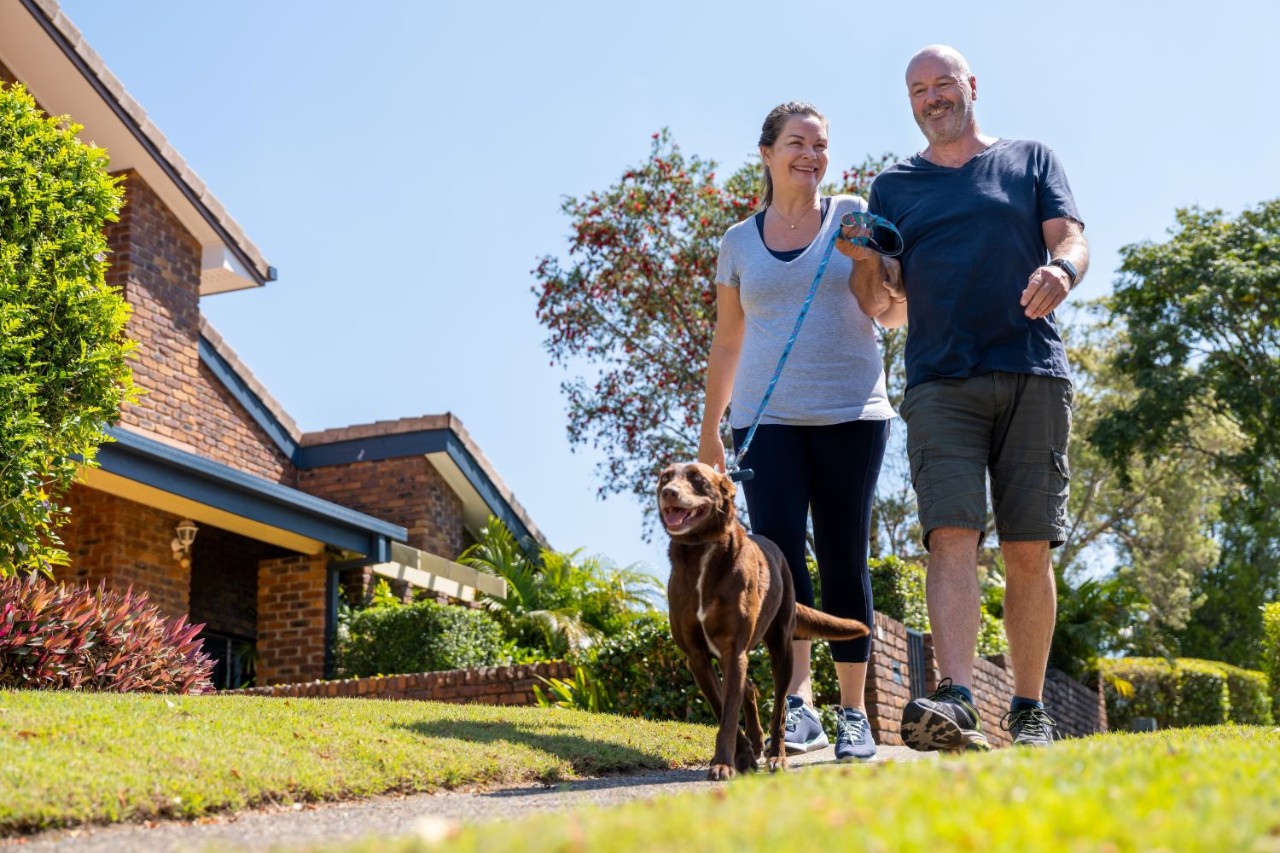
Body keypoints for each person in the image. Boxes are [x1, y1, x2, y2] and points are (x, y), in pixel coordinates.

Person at [851, 45, 1089, 750]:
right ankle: (955, 698)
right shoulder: (893, 187)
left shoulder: (1030, 160)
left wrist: (1061, 272)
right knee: (950, 534)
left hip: (1032, 371)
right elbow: (883, 305)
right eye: (918, 89)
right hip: (940, 380)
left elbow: (1073, 239)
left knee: (1027, 546)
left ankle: (1027, 707)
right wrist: (865, 259)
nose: (932, 97)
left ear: (971, 86)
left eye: (943, 83)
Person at [698, 101, 906, 762]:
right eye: (796, 143)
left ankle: (853, 713)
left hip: (852, 412)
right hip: (767, 422)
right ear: (767, 153)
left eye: (820, 145)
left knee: (845, 554)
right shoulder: (737, 242)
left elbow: (890, 310)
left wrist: (866, 260)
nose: (810, 155)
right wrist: (710, 433)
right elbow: (727, 342)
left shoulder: (851, 214)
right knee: (779, 559)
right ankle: (800, 704)